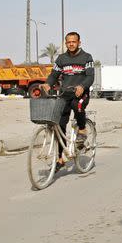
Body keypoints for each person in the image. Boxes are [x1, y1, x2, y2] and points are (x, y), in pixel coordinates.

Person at [41, 32, 95, 168]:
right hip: (65, 94)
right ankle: (60, 157)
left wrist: (82, 86)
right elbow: (54, 74)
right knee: (60, 125)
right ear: (66, 44)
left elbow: (90, 76)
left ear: (79, 43)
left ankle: (82, 129)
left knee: (78, 106)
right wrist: (48, 83)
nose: (71, 44)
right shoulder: (61, 59)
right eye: (68, 42)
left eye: (74, 42)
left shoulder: (86, 58)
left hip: (80, 94)